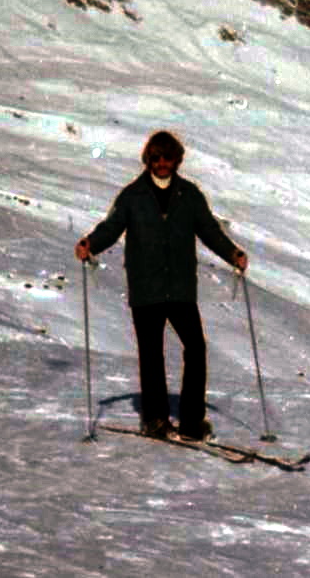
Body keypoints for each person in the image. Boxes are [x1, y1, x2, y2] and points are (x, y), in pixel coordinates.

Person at [75, 130, 248, 440]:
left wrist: (232, 253)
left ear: (177, 160)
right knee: (151, 353)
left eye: (168, 157)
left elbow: (209, 230)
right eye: (156, 158)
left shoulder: (190, 195)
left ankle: (192, 420)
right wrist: (91, 243)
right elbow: (111, 228)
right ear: (148, 160)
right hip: (146, 287)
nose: (162, 163)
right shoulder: (132, 196)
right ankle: (155, 419)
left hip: (180, 287)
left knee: (195, 348)